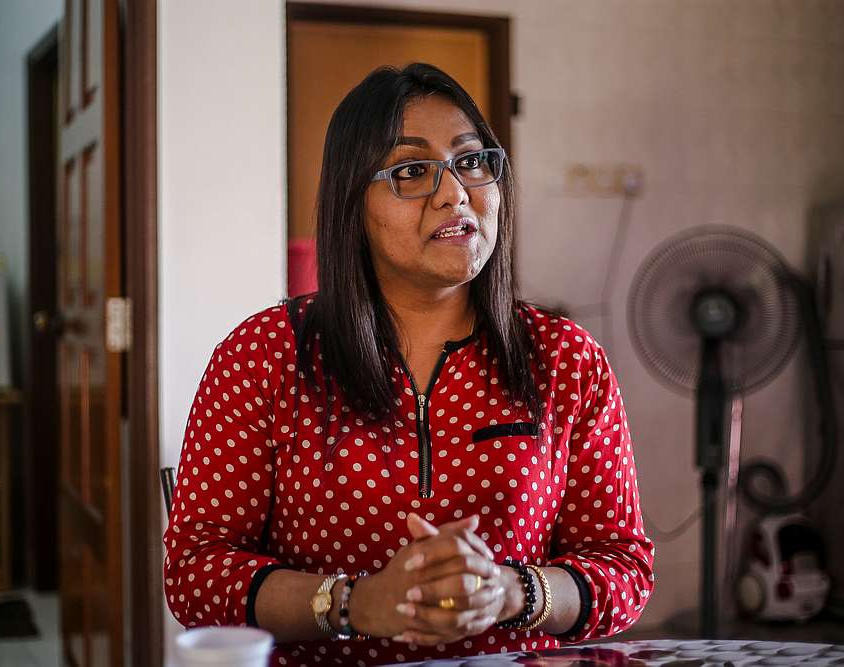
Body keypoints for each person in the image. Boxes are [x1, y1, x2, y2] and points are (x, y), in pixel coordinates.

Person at [164, 63, 654, 666]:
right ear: (353, 202)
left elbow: (623, 568)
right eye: (412, 171)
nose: (455, 193)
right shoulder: (265, 355)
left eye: (473, 162)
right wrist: (353, 604)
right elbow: (196, 574)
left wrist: (512, 592)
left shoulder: (565, 360)